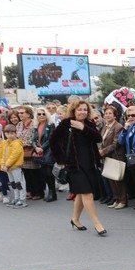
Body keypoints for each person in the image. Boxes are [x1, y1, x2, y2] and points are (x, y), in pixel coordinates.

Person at [50, 99, 107, 236]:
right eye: (79, 109)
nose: (82, 112)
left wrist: (83, 128)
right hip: (74, 165)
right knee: (87, 193)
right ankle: (97, 223)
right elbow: (53, 141)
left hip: (90, 164)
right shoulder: (66, 123)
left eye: (85, 110)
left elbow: (98, 138)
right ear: (73, 111)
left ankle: (75, 219)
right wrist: (61, 159)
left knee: (82, 193)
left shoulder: (89, 123)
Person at [99, 105, 127, 209]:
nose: (107, 115)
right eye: (106, 113)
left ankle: (123, 200)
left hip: (116, 156)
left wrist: (103, 151)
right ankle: (116, 199)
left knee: (118, 179)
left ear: (115, 115)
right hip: (107, 156)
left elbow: (116, 143)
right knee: (111, 178)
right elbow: (102, 140)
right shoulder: (105, 126)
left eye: (110, 113)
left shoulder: (118, 126)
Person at [16, 105, 44, 200]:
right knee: (26, 173)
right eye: (19, 113)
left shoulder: (34, 124)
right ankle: (30, 191)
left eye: (22, 113)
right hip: (21, 152)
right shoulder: (19, 124)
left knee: (34, 173)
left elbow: (35, 138)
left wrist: (22, 143)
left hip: (31, 151)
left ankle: (39, 192)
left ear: (28, 114)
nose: (20, 114)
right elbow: (17, 137)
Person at [31, 106, 57, 202]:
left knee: (49, 173)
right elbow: (33, 139)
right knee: (44, 173)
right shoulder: (36, 126)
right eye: (39, 114)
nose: (41, 115)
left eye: (43, 113)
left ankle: (52, 193)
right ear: (36, 116)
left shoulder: (50, 125)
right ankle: (49, 192)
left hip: (48, 152)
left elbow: (51, 139)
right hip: (39, 152)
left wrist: (42, 148)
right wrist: (35, 147)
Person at [1, 124, 26, 208]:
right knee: (13, 183)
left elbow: (14, 156)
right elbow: (3, 155)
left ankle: (22, 199)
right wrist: (2, 164)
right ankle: (16, 198)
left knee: (19, 183)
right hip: (8, 168)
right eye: (8, 133)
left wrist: (6, 165)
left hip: (16, 167)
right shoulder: (5, 143)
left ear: (15, 134)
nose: (10, 135)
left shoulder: (17, 143)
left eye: (12, 133)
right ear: (5, 134)